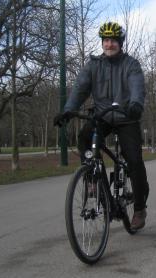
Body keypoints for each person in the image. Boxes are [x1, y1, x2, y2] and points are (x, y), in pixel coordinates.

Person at [54, 21, 149, 230]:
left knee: (133, 160)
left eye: (113, 40)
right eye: (106, 40)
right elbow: (80, 89)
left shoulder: (131, 64)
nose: (109, 44)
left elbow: (137, 87)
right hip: (103, 116)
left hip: (127, 117)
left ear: (120, 42)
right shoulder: (94, 65)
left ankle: (140, 208)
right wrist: (68, 110)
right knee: (84, 138)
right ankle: (93, 179)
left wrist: (135, 105)